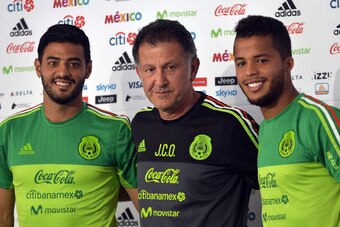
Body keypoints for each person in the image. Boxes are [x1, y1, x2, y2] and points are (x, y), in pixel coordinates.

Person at [0, 24, 138, 227]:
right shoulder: (9, 131)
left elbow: (149, 207)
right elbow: (3, 216)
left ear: (88, 69)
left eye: (73, 64)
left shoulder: (116, 130)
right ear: (38, 67)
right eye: (53, 63)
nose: (62, 72)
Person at [131, 19, 260, 227]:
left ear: (193, 68)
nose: (160, 81)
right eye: (149, 70)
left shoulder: (229, 125)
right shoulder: (140, 124)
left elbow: (285, 185)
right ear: (139, 74)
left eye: (170, 67)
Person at [233, 15, 340, 227]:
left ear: (288, 63)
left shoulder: (318, 118)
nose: (250, 71)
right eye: (241, 63)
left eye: (262, 60)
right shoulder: (263, 129)